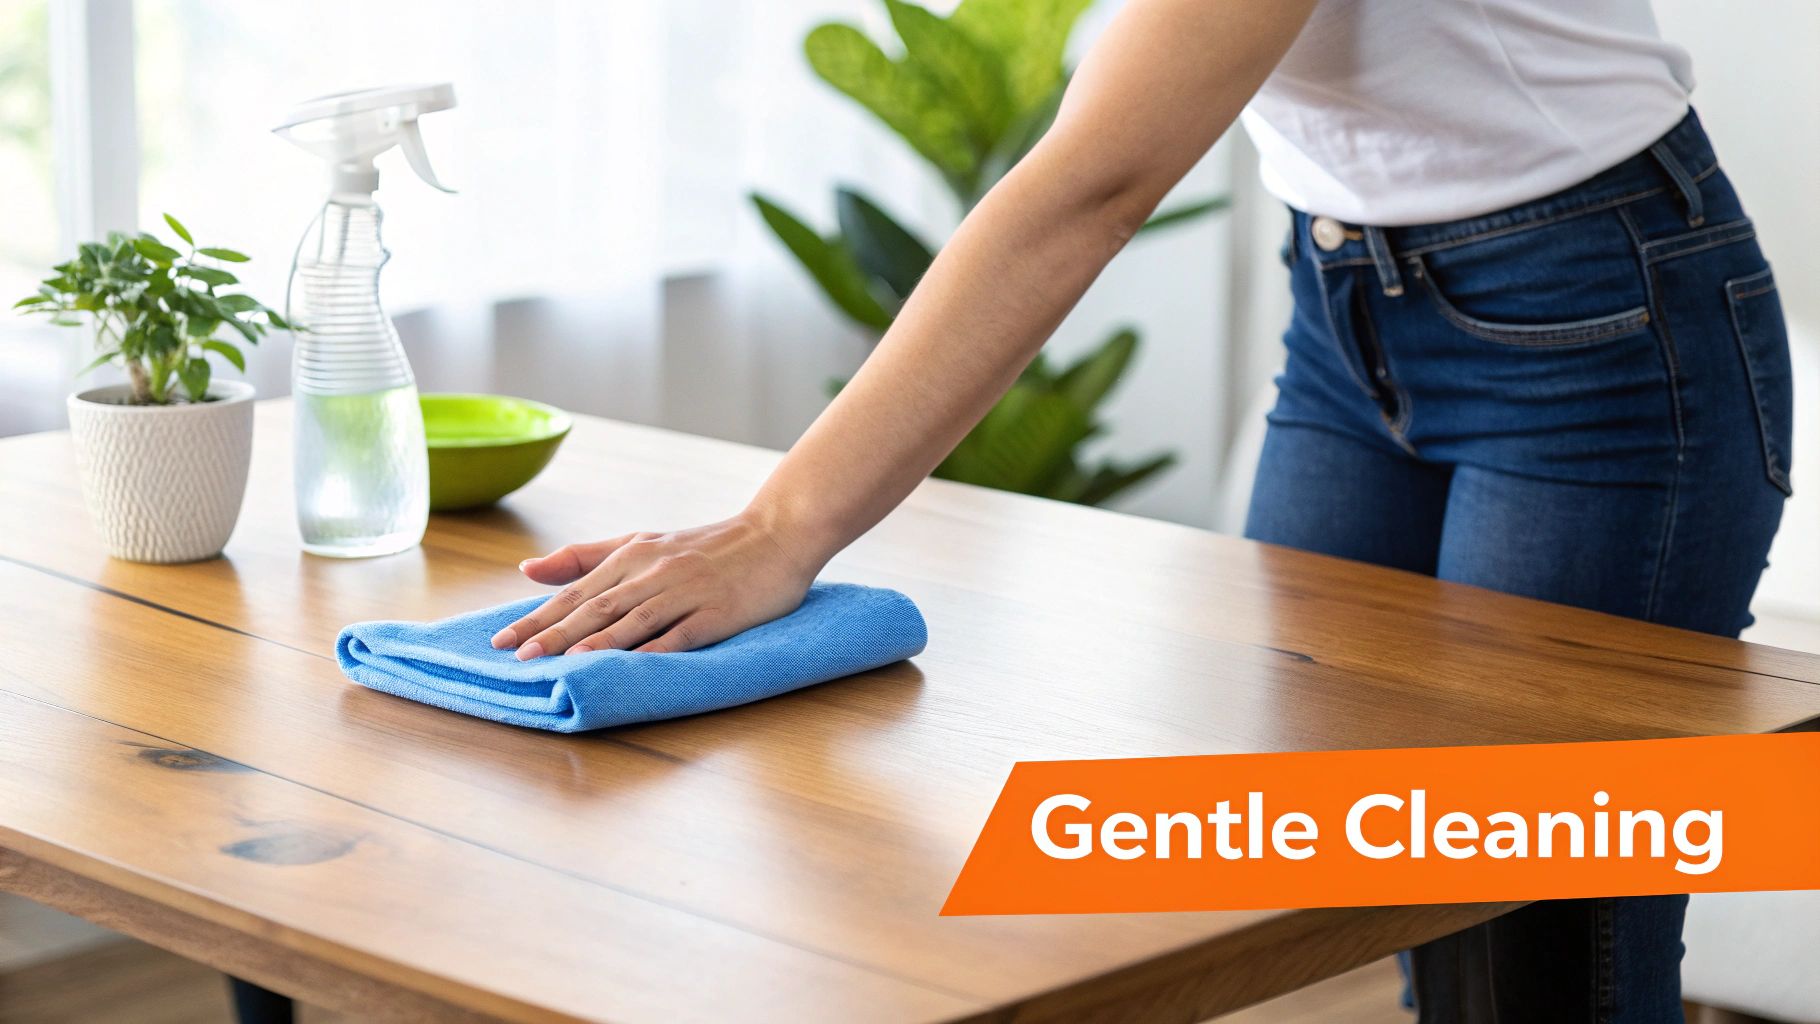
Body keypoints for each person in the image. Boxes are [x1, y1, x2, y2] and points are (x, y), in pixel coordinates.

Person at [487, 2, 1791, 1020]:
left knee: (1547, 933)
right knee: (1401, 874)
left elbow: (1095, 185)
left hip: (1601, 323)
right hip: (1348, 296)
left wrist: (778, 531)